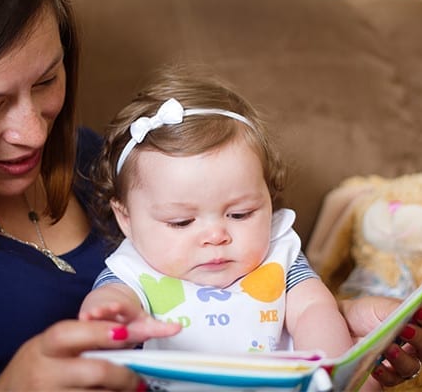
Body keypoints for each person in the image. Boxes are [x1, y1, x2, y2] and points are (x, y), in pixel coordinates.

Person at [0, 0, 422, 390]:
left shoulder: (112, 163)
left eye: (46, 81)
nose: (34, 133)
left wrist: (337, 332)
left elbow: (243, 285)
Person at [80, 70, 354, 361]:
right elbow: (112, 300)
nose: (216, 236)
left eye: (240, 214)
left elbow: (314, 309)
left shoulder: (278, 254)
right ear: (127, 220)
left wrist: (334, 371)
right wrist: (109, 317)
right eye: (181, 222)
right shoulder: (133, 270)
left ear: (268, 198)